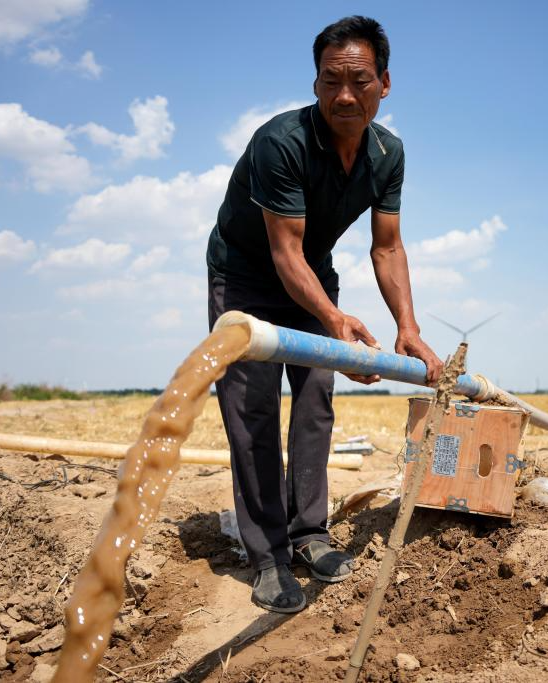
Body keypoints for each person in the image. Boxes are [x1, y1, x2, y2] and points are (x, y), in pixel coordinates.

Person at [206, 16, 443, 613]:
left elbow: (387, 246)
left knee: (315, 398)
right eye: (330, 80)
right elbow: (282, 252)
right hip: (246, 277)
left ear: (383, 84)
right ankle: (268, 555)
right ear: (315, 84)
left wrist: (406, 329)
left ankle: (310, 533)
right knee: (252, 408)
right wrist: (337, 321)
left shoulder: (388, 153)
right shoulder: (280, 142)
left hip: (312, 272)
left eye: (358, 80)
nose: (344, 94)